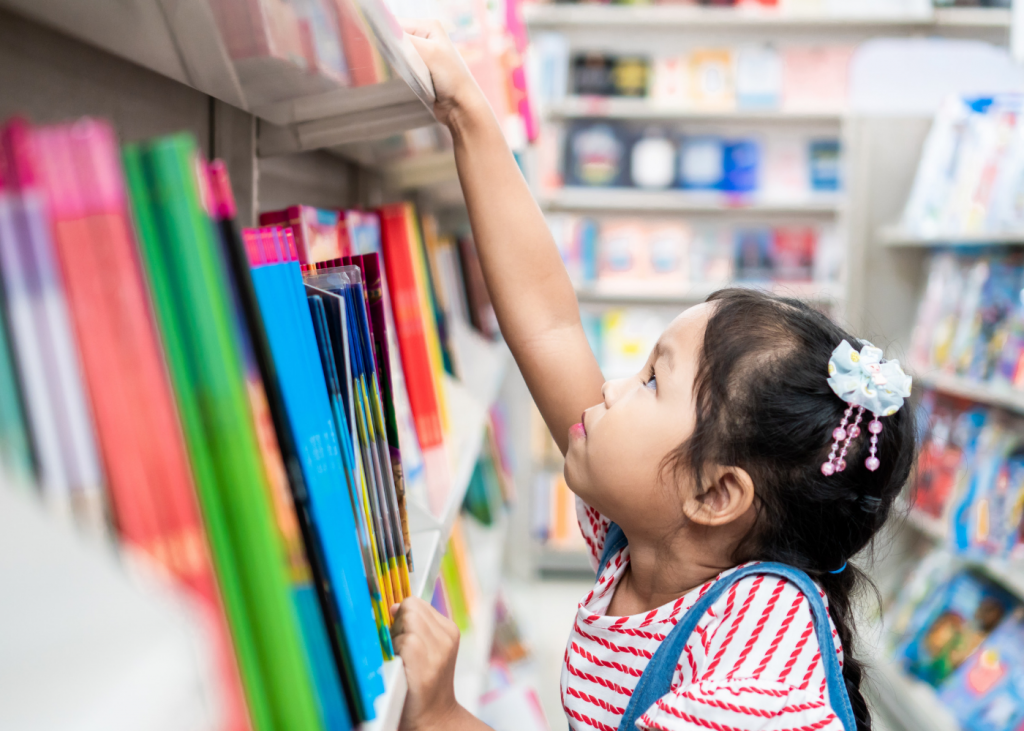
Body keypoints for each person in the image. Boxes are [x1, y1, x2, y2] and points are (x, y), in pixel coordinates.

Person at [390, 19, 916, 731]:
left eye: (649, 383)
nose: (607, 388)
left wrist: (446, 717)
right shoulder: (650, 529)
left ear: (714, 491)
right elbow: (548, 324)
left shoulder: (762, 646)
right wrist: (467, 111)